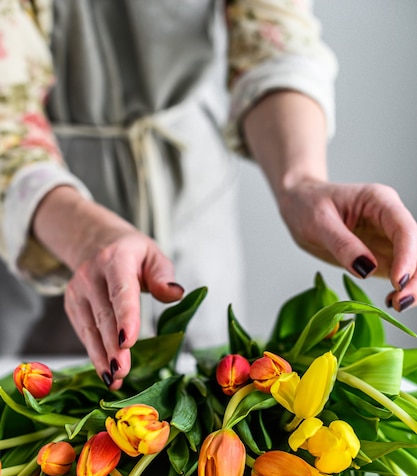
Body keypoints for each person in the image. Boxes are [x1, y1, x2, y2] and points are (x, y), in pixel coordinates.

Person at [1, 0, 416, 392]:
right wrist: (86, 238)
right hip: (36, 216)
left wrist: (300, 181)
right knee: (45, 410)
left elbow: (272, 38)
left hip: (191, 195)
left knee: (212, 392)